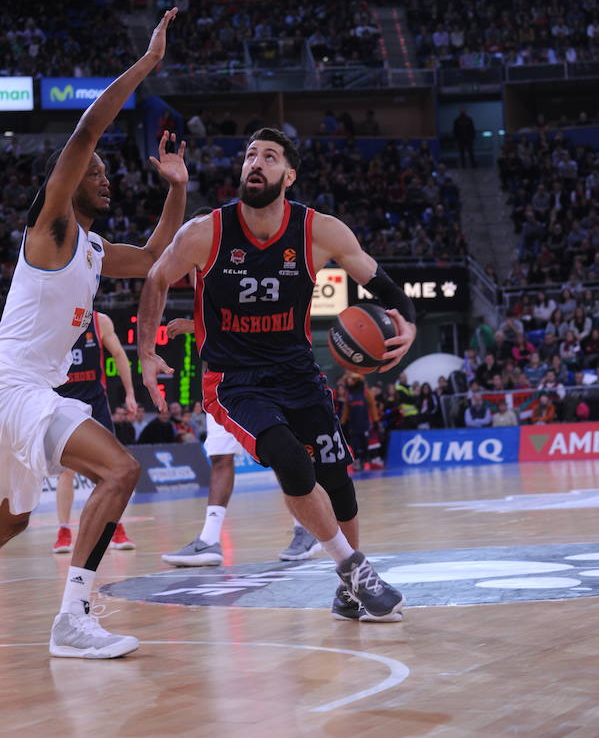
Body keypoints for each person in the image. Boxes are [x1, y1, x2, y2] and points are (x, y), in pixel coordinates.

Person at [138, 127, 416, 623]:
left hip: (298, 374)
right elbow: (157, 278)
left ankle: (349, 595)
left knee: (337, 479)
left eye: (269, 156)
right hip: (235, 380)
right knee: (290, 459)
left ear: (288, 174)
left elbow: (377, 278)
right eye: (249, 155)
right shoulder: (205, 232)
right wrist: (144, 351)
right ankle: (354, 569)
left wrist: (408, 322)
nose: (255, 163)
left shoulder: (319, 230)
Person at [0, 8, 187, 659]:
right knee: (120, 469)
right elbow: (86, 129)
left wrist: (177, 190)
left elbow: (158, 256)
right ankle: (73, 618)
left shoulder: (93, 249)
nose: (106, 178)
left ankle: (73, 617)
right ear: (68, 179)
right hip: (15, 388)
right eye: (97, 172)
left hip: (20, 392)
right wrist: (146, 65)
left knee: (14, 519)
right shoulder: (51, 230)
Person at [161, 315, 321, 565]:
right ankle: (209, 541)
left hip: (260, 378)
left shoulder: (243, 279)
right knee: (220, 457)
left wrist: (194, 326)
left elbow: (249, 322)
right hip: (220, 382)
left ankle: (306, 529)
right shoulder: (201, 282)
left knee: (282, 452)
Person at [53, 311, 137, 554]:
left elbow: (120, 354)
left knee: (113, 471)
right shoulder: (53, 319)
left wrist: (130, 393)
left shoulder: (100, 321)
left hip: (95, 405)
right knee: (66, 472)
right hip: (63, 404)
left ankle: (115, 528)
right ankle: (63, 531)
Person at [340, 372, 379, 472]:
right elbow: (346, 410)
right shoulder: (349, 394)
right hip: (353, 424)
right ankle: (357, 461)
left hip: (365, 423)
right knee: (355, 444)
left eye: (351, 379)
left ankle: (366, 461)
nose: (349, 381)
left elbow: (373, 407)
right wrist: (342, 423)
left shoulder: (366, 392)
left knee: (366, 444)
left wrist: (375, 421)